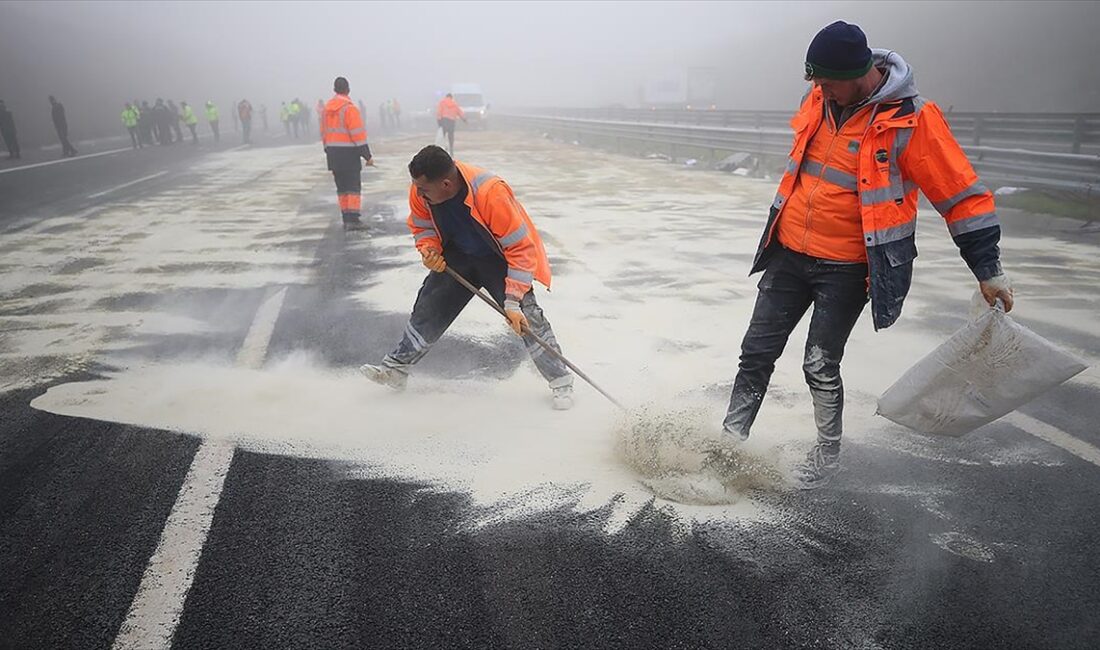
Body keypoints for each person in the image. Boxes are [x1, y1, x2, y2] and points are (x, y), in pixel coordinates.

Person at [721, 21, 1014, 488]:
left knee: (818, 362)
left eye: (828, 81)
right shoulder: (819, 99)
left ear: (860, 73)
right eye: (815, 81)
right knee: (754, 353)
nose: (820, 90)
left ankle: (827, 459)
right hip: (789, 252)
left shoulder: (912, 120)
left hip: (848, 266)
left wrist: (989, 269)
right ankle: (729, 444)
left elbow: (962, 196)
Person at [359, 145, 575, 409]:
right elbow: (422, 226)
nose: (418, 193)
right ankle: (396, 368)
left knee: (527, 319)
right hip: (459, 256)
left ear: (447, 184)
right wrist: (429, 250)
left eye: (424, 190)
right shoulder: (421, 191)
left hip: (500, 259)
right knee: (430, 307)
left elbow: (521, 248)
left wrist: (512, 302)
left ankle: (561, 381)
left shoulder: (490, 192)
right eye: (417, 187)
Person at [320, 77, 373, 231]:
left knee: (341, 187)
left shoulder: (326, 110)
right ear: (348, 89)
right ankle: (354, 219)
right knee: (353, 187)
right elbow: (357, 134)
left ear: (334, 89)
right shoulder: (350, 109)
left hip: (333, 153)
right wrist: (367, 155)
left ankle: (346, 216)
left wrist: (327, 149)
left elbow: (323, 132)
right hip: (349, 153)